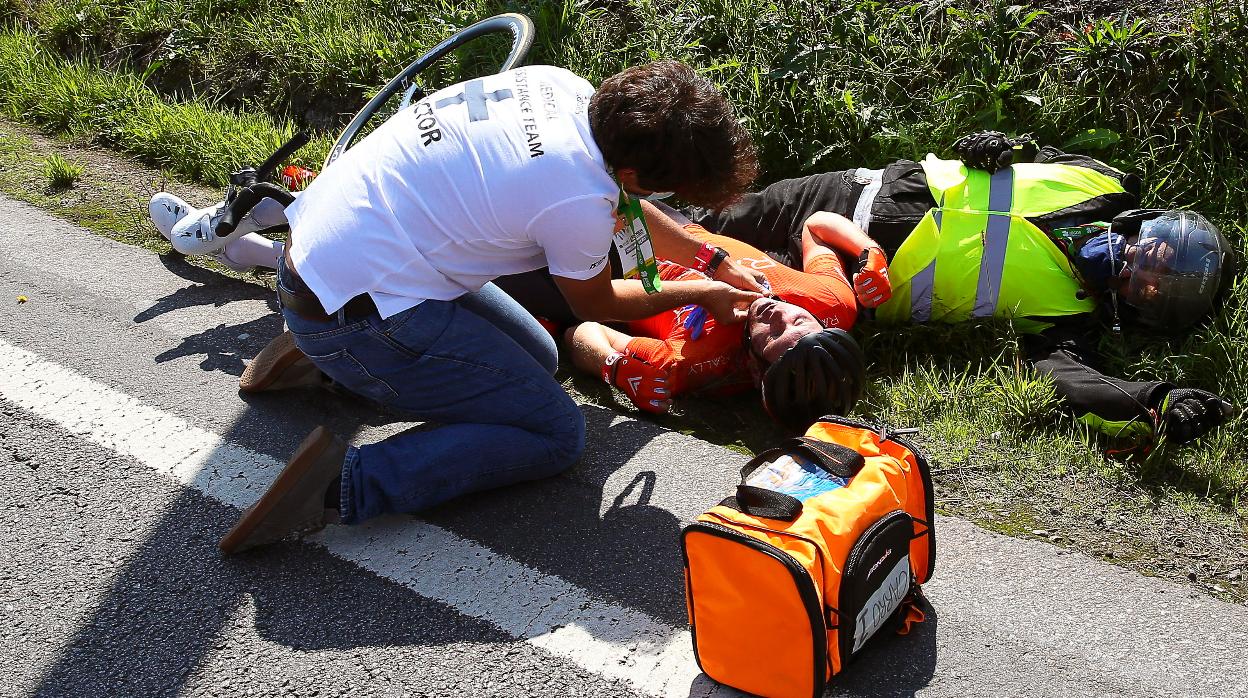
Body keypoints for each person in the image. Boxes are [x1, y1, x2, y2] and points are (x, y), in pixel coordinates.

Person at [159, 61, 770, 555]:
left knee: (540, 353)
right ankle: (340, 488)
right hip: (360, 312)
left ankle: (322, 356)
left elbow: (625, 208)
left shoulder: (560, 88)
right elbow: (597, 300)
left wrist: (711, 258)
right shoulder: (577, 199)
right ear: (630, 170)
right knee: (556, 433)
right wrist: (704, 291)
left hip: (333, 253)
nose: (659, 199)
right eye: (658, 187)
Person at [689, 131, 1237, 446]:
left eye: (1148, 288)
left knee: (704, 297)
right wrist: (998, 147)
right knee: (694, 220)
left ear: (1136, 310)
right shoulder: (1102, 181)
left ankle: (616, 313)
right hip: (837, 197)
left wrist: (1154, 401)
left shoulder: (1067, 319)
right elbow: (1031, 154)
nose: (1142, 266)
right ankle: (611, 220)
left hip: (828, 284)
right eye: (1158, 253)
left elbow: (1072, 383)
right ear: (1151, 224)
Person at [564, 208, 865, 431]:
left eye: (772, 335)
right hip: (680, 225)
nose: (778, 315)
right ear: (825, 324)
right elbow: (816, 226)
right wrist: (869, 252)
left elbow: (581, 332)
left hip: (609, 262)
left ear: (753, 366)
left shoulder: (690, 362)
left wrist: (614, 366)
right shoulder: (834, 303)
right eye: (799, 321)